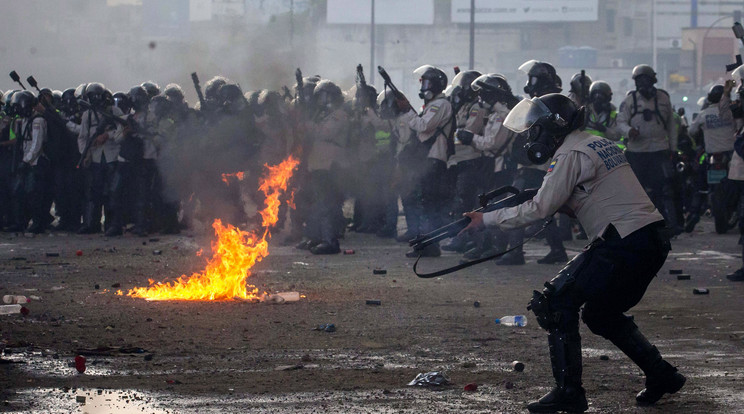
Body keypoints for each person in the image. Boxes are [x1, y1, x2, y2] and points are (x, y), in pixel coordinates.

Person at [461, 93, 685, 413]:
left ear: (553, 127)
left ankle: (569, 392)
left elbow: (540, 208)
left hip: (621, 242)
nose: (531, 138)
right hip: (648, 241)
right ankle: (661, 374)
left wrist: (485, 220)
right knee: (600, 314)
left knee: (555, 301)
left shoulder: (570, 152)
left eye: (534, 129)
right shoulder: (596, 142)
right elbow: (594, 194)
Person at [616, 64, 681, 235]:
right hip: (636, 152)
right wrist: (629, 131)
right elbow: (620, 121)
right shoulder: (630, 100)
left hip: (659, 151)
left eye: (647, 80)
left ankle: (664, 224)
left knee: (663, 190)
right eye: (640, 81)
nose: (644, 84)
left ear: (654, 80)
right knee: (635, 190)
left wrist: (673, 149)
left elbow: (672, 127)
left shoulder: (663, 99)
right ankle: (636, 225)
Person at [397, 65, 453, 258]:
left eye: (428, 83)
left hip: (434, 160)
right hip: (427, 161)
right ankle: (426, 245)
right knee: (425, 204)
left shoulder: (440, 105)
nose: (424, 87)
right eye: (423, 83)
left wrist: (407, 111)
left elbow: (423, 126)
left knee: (429, 206)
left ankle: (430, 246)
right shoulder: (432, 105)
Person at [684, 81, 736, 232]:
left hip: (712, 155)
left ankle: (694, 213)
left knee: (700, 184)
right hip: (731, 154)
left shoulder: (703, 114)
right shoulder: (730, 112)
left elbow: (692, 132)